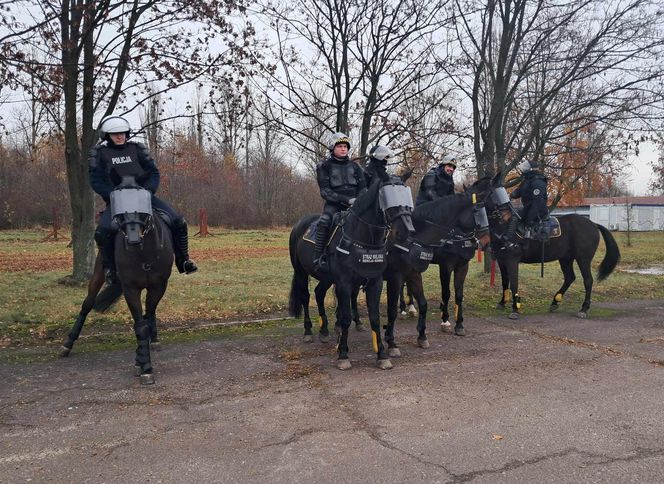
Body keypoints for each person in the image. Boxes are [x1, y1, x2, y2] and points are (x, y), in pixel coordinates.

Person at [89, 115, 197, 285]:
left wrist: (148, 190)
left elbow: (153, 172)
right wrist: (111, 194)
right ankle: (110, 269)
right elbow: (95, 181)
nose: (120, 136)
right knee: (102, 231)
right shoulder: (99, 154)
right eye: (115, 134)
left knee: (178, 221)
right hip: (117, 201)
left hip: (144, 197)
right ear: (107, 136)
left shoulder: (137, 149)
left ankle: (183, 260)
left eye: (123, 133)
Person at [313, 132, 367, 271]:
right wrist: (347, 200)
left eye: (345, 146)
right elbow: (325, 191)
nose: (343, 149)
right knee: (324, 220)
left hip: (356, 205)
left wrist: (359, 200)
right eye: (340, 146)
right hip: (334, 205)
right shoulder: (324, 166)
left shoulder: (356, 167)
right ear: (333, 148)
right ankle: (319, 257)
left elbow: (363, 188)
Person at [503, 160, 549, 245]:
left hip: (538, 211)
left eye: (525, 167)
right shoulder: (527, 181)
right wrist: (510, 195)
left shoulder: (538, 182)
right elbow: (518, 192)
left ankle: (508, 240)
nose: (522, 170)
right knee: (507, 213)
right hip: (528, 208)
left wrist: (530, 217)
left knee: (514, 216)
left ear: (531, 169)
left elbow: (537, 202)